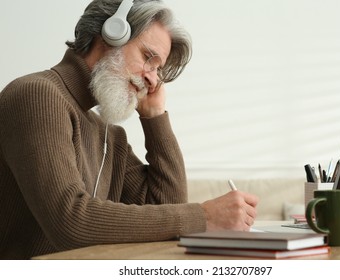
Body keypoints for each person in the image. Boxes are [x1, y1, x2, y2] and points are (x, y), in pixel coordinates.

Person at [0, 0, 259, 260]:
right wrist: (203, 216)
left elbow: (167, 208)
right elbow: (69, 221)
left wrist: (155, 117)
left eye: (158, 69)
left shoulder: (110, 137)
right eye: (148, 58)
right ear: (112, 34)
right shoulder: (37, 95)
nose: (153, 79)